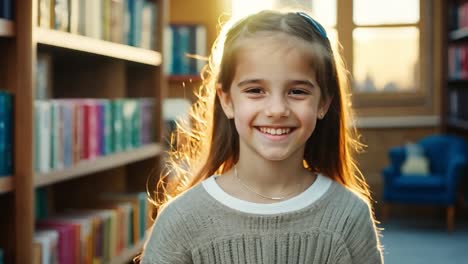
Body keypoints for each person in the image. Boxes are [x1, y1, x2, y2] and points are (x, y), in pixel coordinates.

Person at [140, 9, 383, 264]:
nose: (277, 110)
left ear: (323, 103)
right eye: (256, 90)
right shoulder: (181, 220)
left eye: (297, 91)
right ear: (227, 100)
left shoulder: (350, 216)